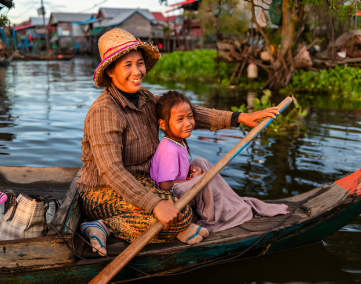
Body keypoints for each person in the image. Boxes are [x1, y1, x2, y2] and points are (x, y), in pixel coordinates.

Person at [76, 28, 280, 252]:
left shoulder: (144, 98)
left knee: (182, 208)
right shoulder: (105, 111)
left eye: (140, 63)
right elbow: (112, 171)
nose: (137, 71)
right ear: (111, 72)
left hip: (143, 181)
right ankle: (102, 225)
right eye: (127, 65)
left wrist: (239, 117)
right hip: (103, 192)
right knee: (179, 217)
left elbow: (184, 115)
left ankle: (138, 225)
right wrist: (154, 204)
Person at [150, 91, 289, 233]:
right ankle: (211, 216)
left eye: (190, 117)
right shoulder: (169, 149)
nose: (188, 123)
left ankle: (225, 203)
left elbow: (179, 171)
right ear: (163, 124)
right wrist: (197, 179)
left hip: (176, 187)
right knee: (203, 180)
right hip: (169, 198)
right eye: (180, 119)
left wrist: (193, 172)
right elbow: (165, 186)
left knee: (200, 162)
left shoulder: (177, 142)